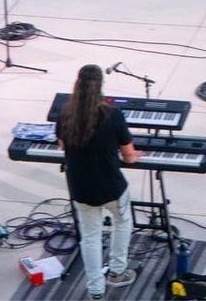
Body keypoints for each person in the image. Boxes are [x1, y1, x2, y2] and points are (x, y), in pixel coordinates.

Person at [56, 65, 141, 299]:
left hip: (81, 187)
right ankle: (117, 272)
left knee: (90, 236)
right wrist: (134, 154)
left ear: (77, 85)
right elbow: (129, 156)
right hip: (110, 185)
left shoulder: (65, 114)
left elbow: (62, 144)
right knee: (123, 222)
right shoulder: (112, 114)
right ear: (101, 86)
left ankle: (95, 290)